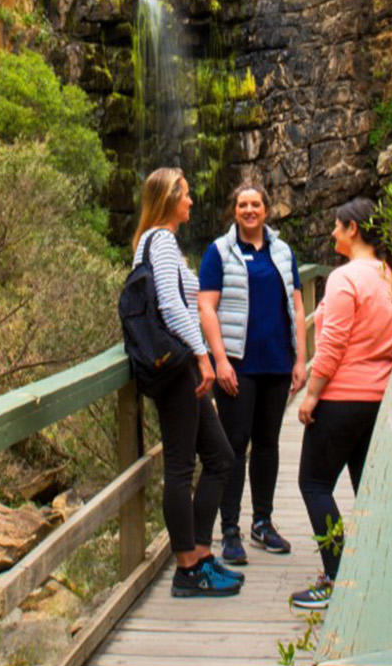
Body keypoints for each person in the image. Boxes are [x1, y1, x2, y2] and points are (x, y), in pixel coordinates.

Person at [289, 197, 392, 611]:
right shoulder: (390, 276)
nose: (331, 234)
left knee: (313, 484)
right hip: (377, 399)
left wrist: (311, 396)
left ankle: (336, 577)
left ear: (353, 230)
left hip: (341, 397)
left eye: (337, 227)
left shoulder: (345, 280)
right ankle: (379, 576)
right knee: (366, 488)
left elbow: (332, 346)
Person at [131, 166, 244, 598]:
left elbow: (191, 294)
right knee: (180, 467)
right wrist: (204, 357)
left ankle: (200, 555)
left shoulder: (161, 243)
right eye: (186, 195)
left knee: (219, 457)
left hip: (180, 368)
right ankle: (187, 570)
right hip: (177, 368)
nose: (192, 202)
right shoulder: (159, 240)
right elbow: (175, 309)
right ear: (168, 199)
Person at [196, 183, 306, 566]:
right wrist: (220, 360)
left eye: (255, 204)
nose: (249, 210)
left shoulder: (281, 251)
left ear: (266, 209)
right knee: (233, 446)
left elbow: (295, 301)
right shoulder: (219, 252)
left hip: (276, 363)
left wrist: (301, 359)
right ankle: (230, 530)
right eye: (242, 204)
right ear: (234, 211)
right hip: (238, 368)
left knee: (268, 444)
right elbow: (206, 307)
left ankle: (263, 521)